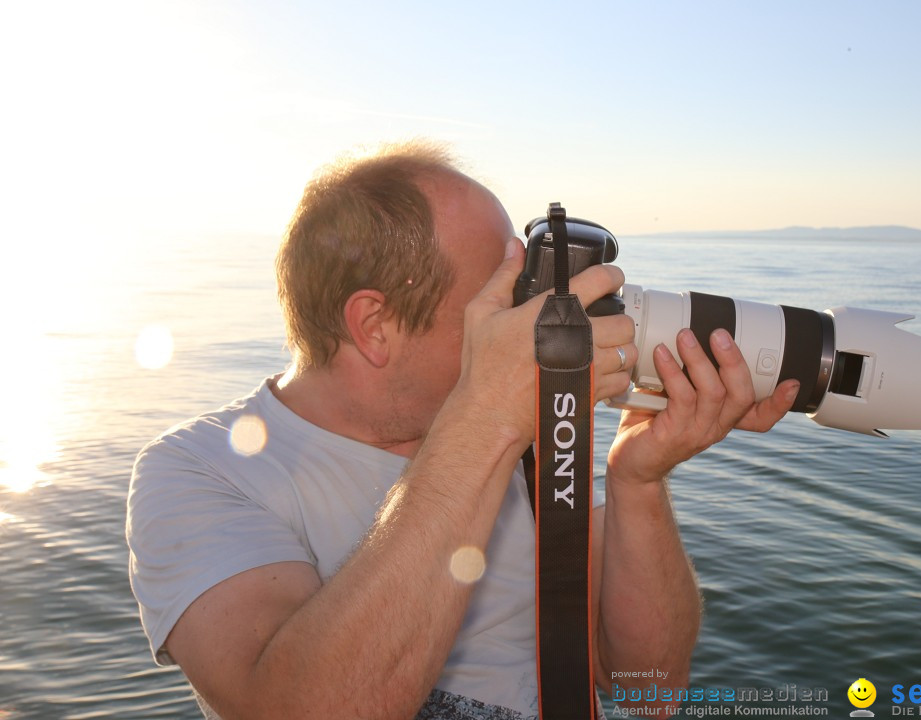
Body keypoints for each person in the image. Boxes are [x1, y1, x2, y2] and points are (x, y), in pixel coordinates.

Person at [126, 141, 800, 720]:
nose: (533, 318)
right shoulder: (200, 470)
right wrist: (485, 421)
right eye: (505, 296)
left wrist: (638, 479)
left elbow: (645, 690)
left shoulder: (526, 441)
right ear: (374, 325)